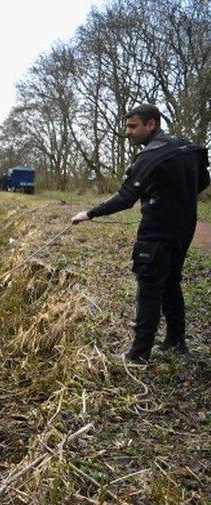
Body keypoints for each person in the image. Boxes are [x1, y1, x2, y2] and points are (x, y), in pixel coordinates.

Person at [72, 104, 210, 363]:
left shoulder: (151, 155)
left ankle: (138, 354)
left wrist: (89, 213)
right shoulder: (188, 147)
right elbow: (203, 181)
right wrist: (169, 192)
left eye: (133, 127)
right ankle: (176, 342)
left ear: (151, 125)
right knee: (170, 282)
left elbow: (125, 198)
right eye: (127, 126)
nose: (128, 132)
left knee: (149, 288)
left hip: (156, 232)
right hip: (184, 228)